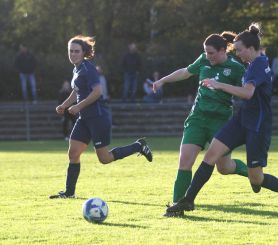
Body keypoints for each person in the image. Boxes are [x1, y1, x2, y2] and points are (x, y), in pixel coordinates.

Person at [167, 23, 278, 215]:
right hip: (241, 119)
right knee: (211, 156)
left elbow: (247, 93)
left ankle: (255, 180)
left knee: (256, 179)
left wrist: (219, 85)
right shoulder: (254, 61)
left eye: (240, 50)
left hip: (257, 125)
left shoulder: (258, 66)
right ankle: (187, 201)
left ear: (252, 49)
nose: (237, 54)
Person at [153, 31, 248, 217]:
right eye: (206, 52)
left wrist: (222, 86)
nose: (208, 56)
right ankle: (177, 205)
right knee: (185, 161)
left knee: (224, 168)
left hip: (220, 122)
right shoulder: (204, 60)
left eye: (212, 53)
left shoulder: (237, 69)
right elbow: (185, 72)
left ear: (223, 51)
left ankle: (253, 174)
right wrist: (163, 80)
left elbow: (244, 92)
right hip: (197, 118)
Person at [49, 35, 152, 199]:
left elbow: (97, 92)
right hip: (85, 118)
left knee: (104, 158)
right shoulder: (76, 69)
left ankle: (138, 146)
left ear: (84, 52)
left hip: (98, 117)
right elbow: (76, 90)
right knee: (73, 153)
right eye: (71, 51)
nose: (73, 54)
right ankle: (69, 193)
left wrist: (78, 106)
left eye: (76, 51)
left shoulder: (88, 69)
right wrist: (65, 105)